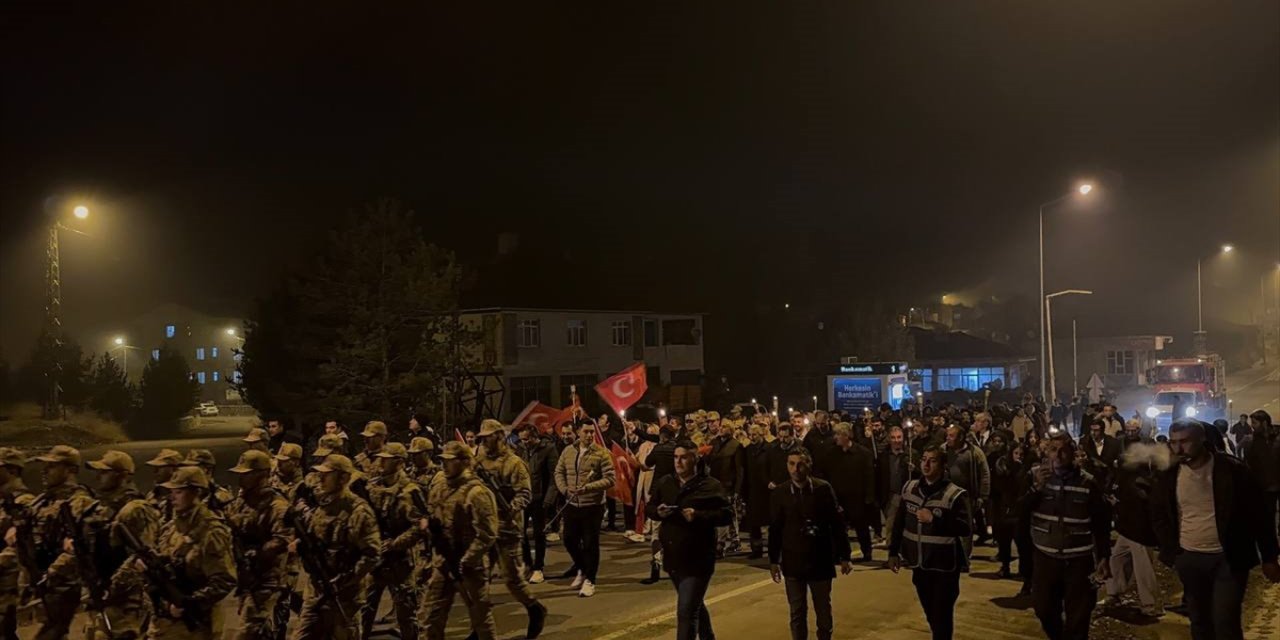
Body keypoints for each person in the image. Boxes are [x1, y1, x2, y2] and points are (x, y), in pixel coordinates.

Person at [1151, 418, 1280, 640]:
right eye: (1173, 442)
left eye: (1185, 441)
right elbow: (1159, 514)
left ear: (1202, 440)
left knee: (1225, 622)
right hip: (1189, 558)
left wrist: (1269, 557)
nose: (1178, 448)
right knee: (1199, 621)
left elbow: (1259, 515)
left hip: (1228, 558)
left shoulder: (1232, 470)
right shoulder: (1169, 475)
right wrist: (1172, 551)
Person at [1023, 431, 1112, 640]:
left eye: (1064, 451)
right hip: (1046, 557)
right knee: (1043, 609)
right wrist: (1036, 488)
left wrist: (1104, 556)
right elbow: (1019, 511)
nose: (1059, 455)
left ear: (1073, 453)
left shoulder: (1088, 483)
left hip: (1079, 560)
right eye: (1054, 450)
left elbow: (1101, 522)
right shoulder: (1034, 476)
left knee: (1079, 616)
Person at [646, 443, 734, 640]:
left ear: (695, 459)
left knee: (686, 611)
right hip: (673, 556)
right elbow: (649, 507)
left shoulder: (710, 486)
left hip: (698, 558)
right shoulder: (665, 482)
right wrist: (657, 512)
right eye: (676, 457)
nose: (678, 462)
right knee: (693, 604)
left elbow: (726, 515)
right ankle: (708, 636)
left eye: (684, 457)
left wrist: (698, 515)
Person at [140, 466, 237, 639]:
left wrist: (189, 603)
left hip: (197, 625)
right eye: (171, 491)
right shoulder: (171, 526)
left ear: (196, 492)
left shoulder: (210, 530)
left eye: (179, 491)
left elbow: (224, 580)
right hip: (166, 622)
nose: (172, 496)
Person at [291, 454, 381, 640]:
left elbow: (371, 554)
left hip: (344, 596)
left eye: (327, 474)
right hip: (316, 591)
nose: (321, 478)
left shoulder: (357, 511)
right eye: (320, 474)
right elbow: (316, 538)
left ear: (343, 478)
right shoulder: (323, 506)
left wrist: (345, 579)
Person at [888, 445, 973, 640]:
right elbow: (899, 521)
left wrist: (934, 520)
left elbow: (965, 528)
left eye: (932, 460)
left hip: (944, 566)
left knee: (942, 615)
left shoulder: (955, 494)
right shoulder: (910, 488)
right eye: (923, 459)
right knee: (931, 613)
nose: (926, 464)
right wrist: (893, 552)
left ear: (943, 466)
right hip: (919, 564)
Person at [769, 448, 852, 640]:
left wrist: (845, 555)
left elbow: (837, 524)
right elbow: (775, 528)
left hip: (820, 558)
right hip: (792, 560)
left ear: (809, 465)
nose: (796, 469)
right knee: (797, 611)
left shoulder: (823, 489)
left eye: (800, 464)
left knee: (823, 609)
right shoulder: (780, 492)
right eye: (791, 464)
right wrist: (774, 560)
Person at [420, 441, 499, 640]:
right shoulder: (440, 487)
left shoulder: (476, 492)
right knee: (429, 616)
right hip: (443, 561)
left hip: (470, 566)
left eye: (450, 461)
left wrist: (467, 560)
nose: (444, 465)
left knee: (480, 619)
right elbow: (431, 514)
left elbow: (487, 533)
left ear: (464, 462)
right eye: (442, 461)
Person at [476, 420, 548, 638]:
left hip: (507, 529)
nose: (484, 441)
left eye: (487, 436)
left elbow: (525, 493)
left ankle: (534, 609)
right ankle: (479, 626)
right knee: (479, 580)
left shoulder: (514, 463)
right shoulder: (478, 463)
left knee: (512, 579)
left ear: (499, 436)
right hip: (483, 529)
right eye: (482, 437)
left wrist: (511, 507)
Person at [27, 445, 96, 639]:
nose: (45, 471)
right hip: (41, 580)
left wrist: (53, 571)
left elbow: (81, 547)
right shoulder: (43, 501)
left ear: (71, 470)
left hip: (63, 583)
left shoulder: (80, 502)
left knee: (51, 632)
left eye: (52, 466)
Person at [225, 450, 291, 640]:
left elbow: (281, 539)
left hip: (268, 577)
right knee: (259, 630)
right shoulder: (241, 501)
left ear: (262, 475)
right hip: (247, 576)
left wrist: (257, 553)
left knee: (247, 630)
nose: (241, 478)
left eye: (246, 474)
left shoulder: (277, 504)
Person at [361, 442, 423, 640]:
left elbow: (419, 527)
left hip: (400, 561)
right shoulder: (373, 487)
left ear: (399, 462)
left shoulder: (410, 491)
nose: (381, 462)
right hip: (377, 558)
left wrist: (395, 543)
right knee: (365, 609)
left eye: (386, 459)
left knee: (406, 613)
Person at [553, 420, 617, 597]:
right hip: (572, 503)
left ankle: (590, 580)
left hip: (593, 505)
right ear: (578, 432)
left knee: (590, 543)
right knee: (569, 539)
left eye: (592, 432)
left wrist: (588, 488)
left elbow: (611, 479)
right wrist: (565, 489)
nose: (589, 435)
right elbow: (559, 472)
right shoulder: (568, 451)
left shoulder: (602, 453)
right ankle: (581, 568)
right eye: (586, 432)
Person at [1103, 438, 1163, 618]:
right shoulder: (1133, 471)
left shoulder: (1145, 474)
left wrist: (1119, 504)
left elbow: (1145, 501)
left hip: (1141, 529)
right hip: (1128, 526)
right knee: (1116, 559)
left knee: (1143, 568)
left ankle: (1151, 605)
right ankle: (1115, 593)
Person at [827, 423, 876, 562]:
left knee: (861, 527)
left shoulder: (863, 453)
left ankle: (866, 552)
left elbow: (869, 476)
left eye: (838, 435)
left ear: (846, 435)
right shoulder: (832, 454)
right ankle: (841, 554)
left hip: (857, 498)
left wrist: (869, 497)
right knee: (839, 528)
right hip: (839, 497)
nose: (835, 438)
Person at [517, 424, 558, 585]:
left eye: (526, 439)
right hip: (523, 497)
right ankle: (527, 563)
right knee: (521, 532)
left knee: (538, 534)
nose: (524, 442)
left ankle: (538, 567)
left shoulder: (548, 449)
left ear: (535, 437)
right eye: (521, 439)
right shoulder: (520, 450)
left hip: (540, 498)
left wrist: (549, 499)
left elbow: (553, 476)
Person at [0, 448, 33, 639]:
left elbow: (22, 546)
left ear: (12, 471)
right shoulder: (4, 501)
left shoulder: (24, 502)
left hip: (9, 584)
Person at [705, 415, 745, 557]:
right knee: (722, 513)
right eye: (720, 427)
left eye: (724, 427)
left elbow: (739, 469)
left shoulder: (735, 446)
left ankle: (721, 544)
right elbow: (708, 460)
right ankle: (733, 540)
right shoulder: (715, 443)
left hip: (728, 484)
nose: (721, 429)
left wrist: (737, 490)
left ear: (731, 429)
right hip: (715, 483)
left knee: (727, 513)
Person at [943, 425, 989, 549]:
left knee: (965, 527)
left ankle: (964, 557)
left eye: (951, 436)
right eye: (947, 435)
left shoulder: (975, 452)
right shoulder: (943, 450)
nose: (948, 438)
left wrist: (982, 496)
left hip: (966, 496)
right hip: (946, 495)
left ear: (961, 437)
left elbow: (984, 474)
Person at [1243, 410, 1280, 540]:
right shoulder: (1250, 441)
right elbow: (1247, 463)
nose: (1252, 425)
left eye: (1254, 423)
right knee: (1267, 518)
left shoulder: (1277, 437)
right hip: (1264, 486)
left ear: (1264, 423)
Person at [876, 426, 914, 548]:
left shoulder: (911, 454)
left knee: (907, 527)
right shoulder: (883, 457)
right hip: (891, 496)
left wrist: (914, 469)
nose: (896, 440)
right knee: (891, 526)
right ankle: (892, 553)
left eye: (899, 437)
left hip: (907, 496)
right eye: (893, 437)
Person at [743, 425, 774, 559]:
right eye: (750, 435)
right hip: (752, 489)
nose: (752, 438)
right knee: (754, 522)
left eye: (754, 435)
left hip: (766, 490)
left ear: (761, 435)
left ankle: (773, 548)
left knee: (769, 522)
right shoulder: (748, 450)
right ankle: (756, 549)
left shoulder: (769, 449)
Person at [145, 448, 185, 522]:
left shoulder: (183, 496)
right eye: (155, 467)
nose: (155, 471)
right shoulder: (152, 494)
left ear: (174, 469)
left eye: (160, 467)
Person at [1081, 418, 1122, 489]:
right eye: (1091, 430)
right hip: (1091, 481)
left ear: (1102, 430)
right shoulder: (1085, 442)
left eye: (1096, 430)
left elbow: (1119, 465)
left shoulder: (1114, 443)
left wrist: (1116, 481)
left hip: (1109, 480)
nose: (1093, 433)